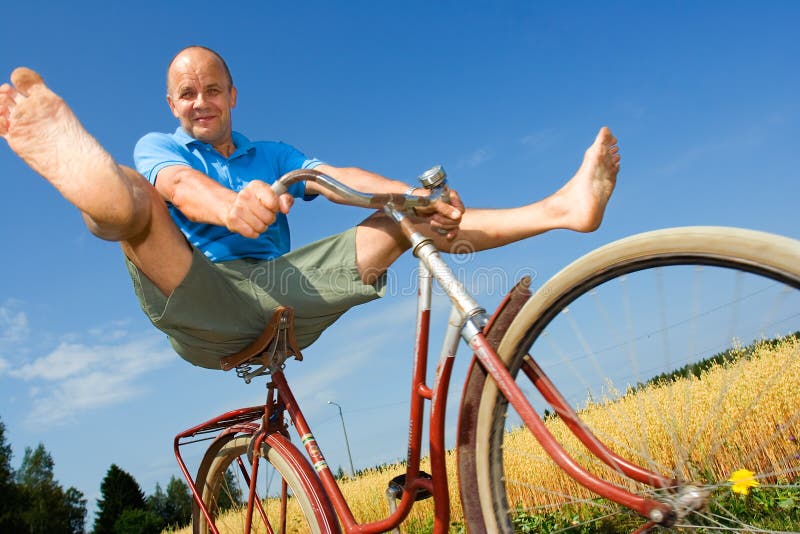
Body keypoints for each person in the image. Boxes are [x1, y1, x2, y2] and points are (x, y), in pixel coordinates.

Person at [0, 46, 620, 370]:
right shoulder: (161, 146)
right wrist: (228, 206)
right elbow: (182, 189)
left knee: (408, 221)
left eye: (212, 89)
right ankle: (94, 188)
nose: (200, 102)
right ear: (171, 104)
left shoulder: (271, 154)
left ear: (233, 95)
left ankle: (563, 210)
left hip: (282, 296)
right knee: (134, 197)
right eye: (186, 94)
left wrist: (409, 193)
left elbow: (333, 177)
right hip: (198, 293)